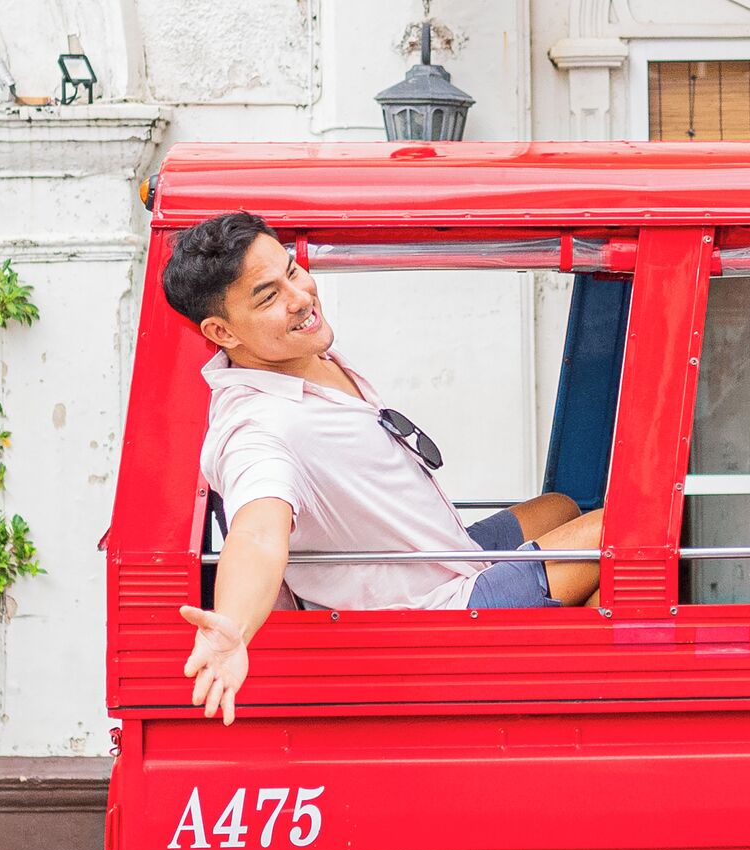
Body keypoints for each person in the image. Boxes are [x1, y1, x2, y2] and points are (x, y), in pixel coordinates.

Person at [167, 210, 605, 727]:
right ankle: (577, 688)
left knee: (561, 507)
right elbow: (258, 533)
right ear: (222, 331)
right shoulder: (258, 430)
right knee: (620, 530)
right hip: (438, 615)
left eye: (291, 270)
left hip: (448, 557)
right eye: (268, 296)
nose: (301, 297)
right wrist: (233, 628)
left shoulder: (304, 357)